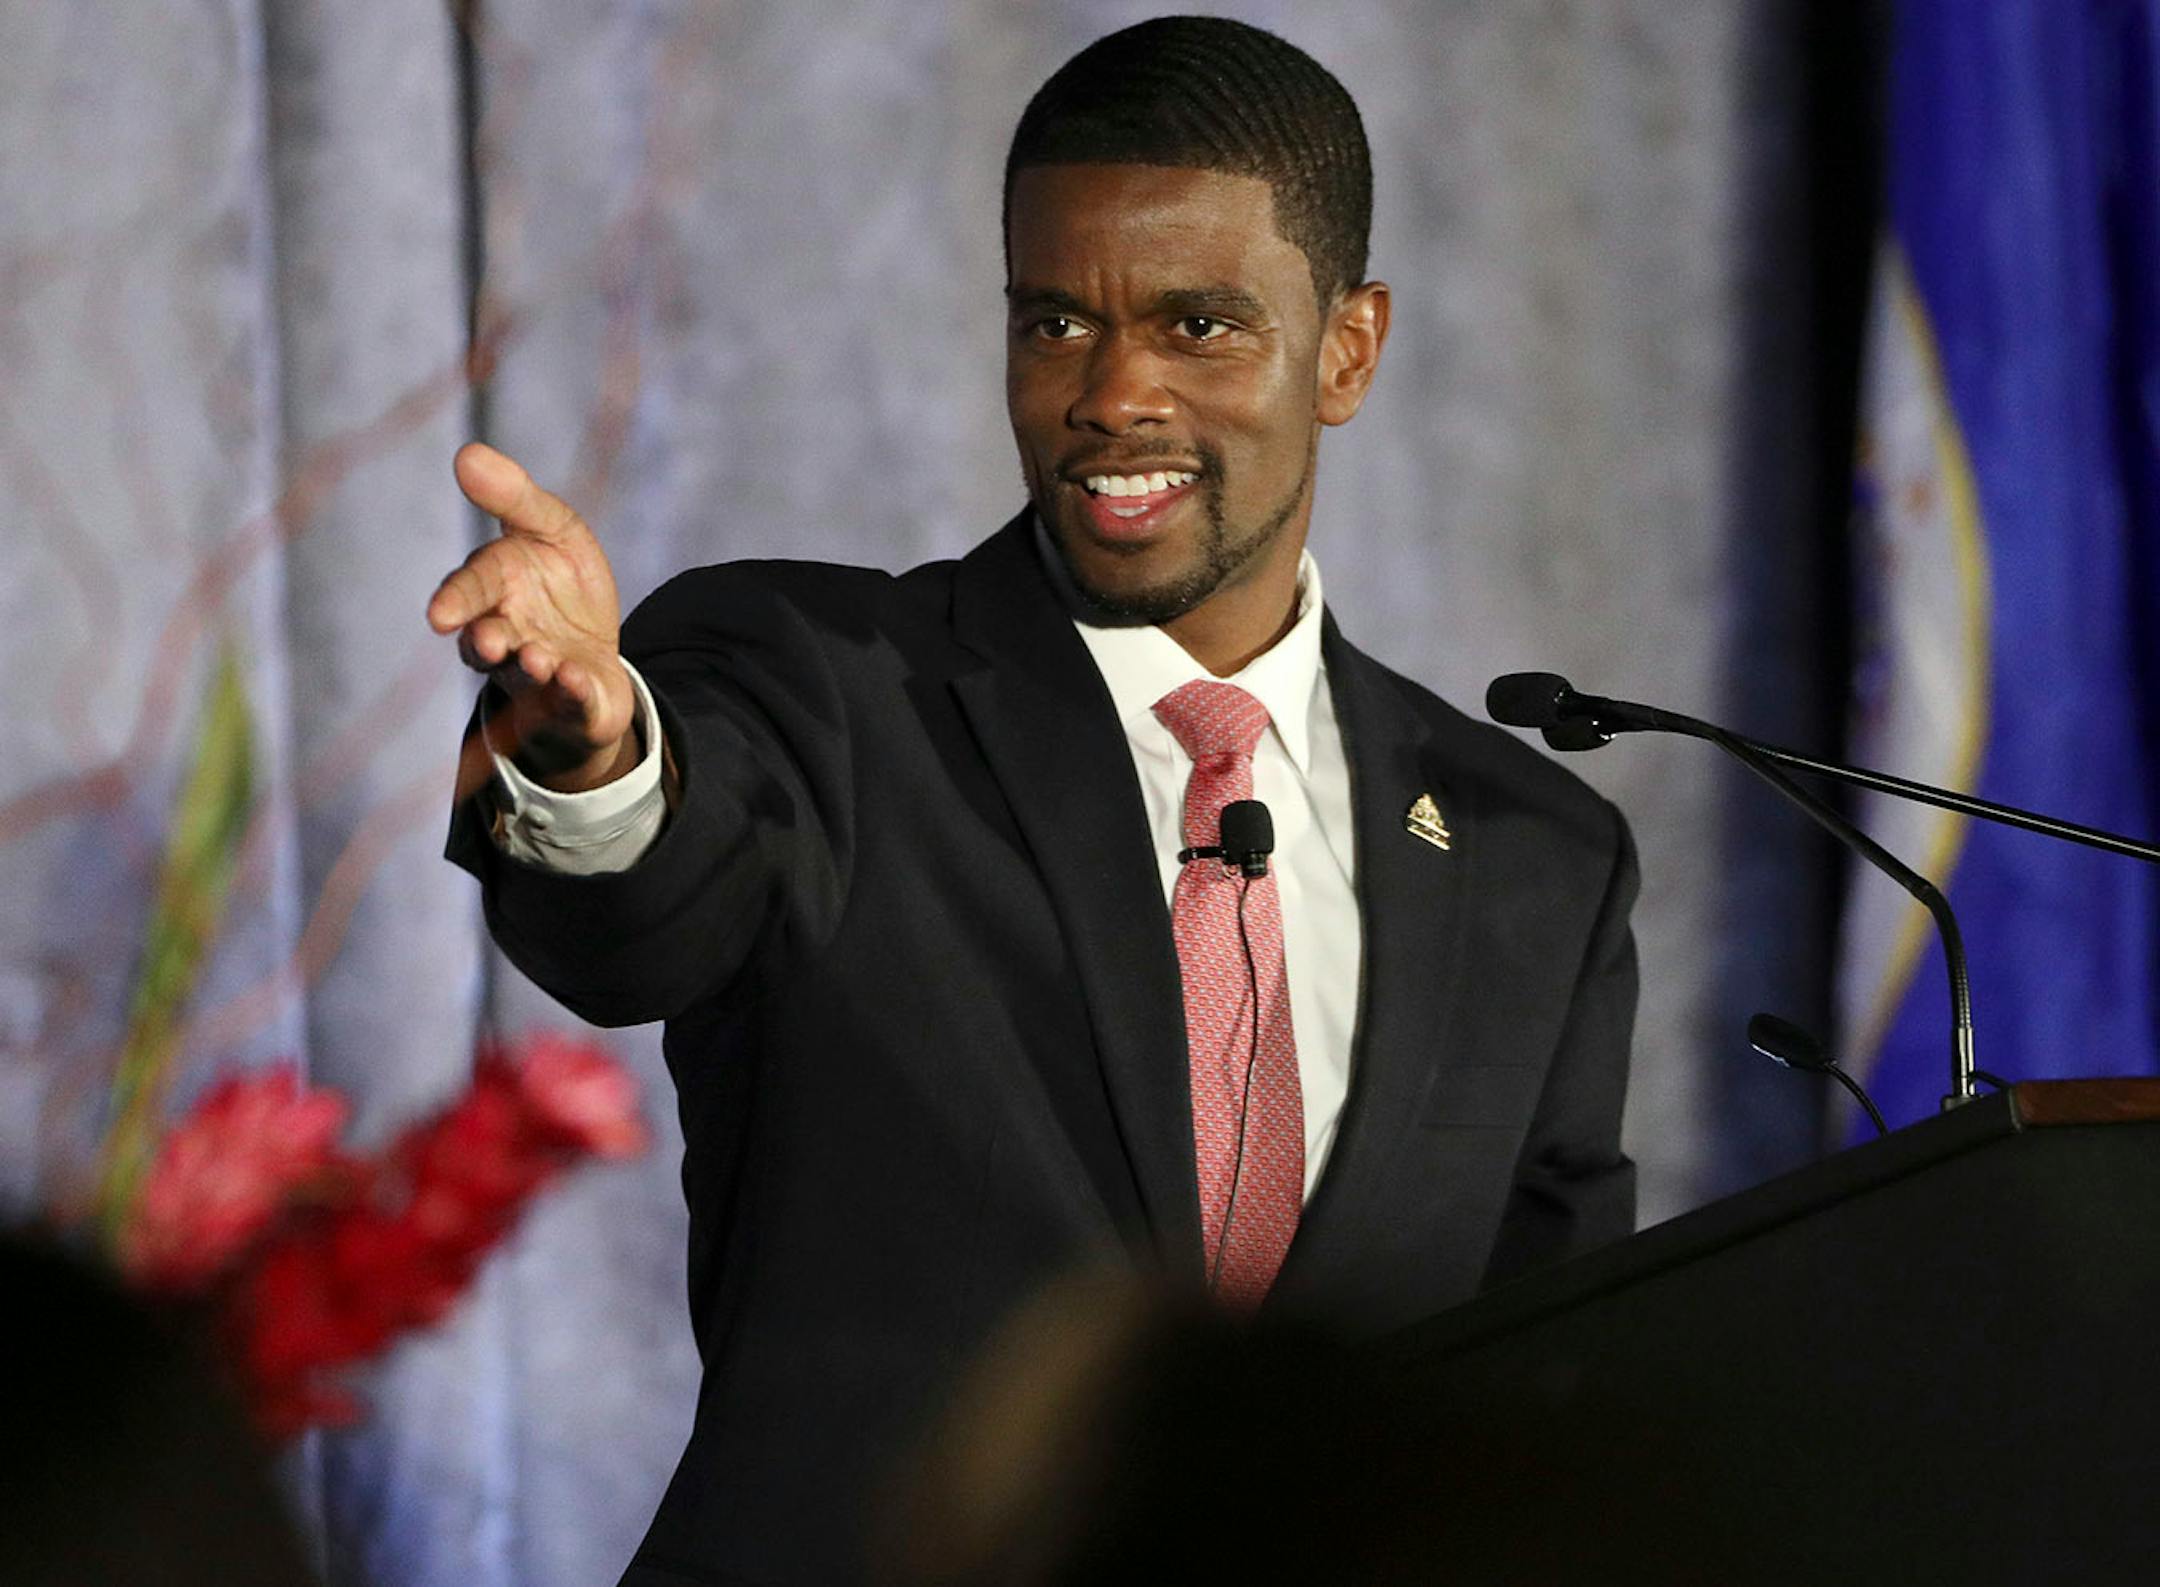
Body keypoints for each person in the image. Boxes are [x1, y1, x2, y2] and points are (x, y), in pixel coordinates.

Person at [432, 17, 1638, 1585]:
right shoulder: (828, 687)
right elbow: (645, 910)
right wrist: (592, 755)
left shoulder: (1532, 858)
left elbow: (1558, 1371)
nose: (1113, 392)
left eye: (1200, 325)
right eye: (1057, 322)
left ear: (1347, 349)